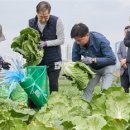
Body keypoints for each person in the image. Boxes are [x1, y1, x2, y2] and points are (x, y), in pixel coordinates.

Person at [28, 1, 64, 108]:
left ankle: (54, 107)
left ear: (49, 13)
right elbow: (28, 39)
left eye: (46, 16)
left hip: (54, 59)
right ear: (37, 13)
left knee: (53, 84)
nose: (43, 19)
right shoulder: (31, 23)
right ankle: (34, 107)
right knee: (35, 84)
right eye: (41, 16)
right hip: (38, 60)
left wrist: (46, 43)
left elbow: (61, 40)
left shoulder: (57, 21)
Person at [71, 23, 116, 101]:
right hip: (93, 69)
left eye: (79, 40)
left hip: (108, 67)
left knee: (105, 89)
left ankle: (107, 108)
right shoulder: (76, 44)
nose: (77, 43)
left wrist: (93, 60)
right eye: (76, 40)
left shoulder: (100, 40)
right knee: (87, 88)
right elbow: (75, 60)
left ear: (87, 35)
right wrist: (72, 72)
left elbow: (112, 59)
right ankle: (85, 108)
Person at [117, 25, 130, 93]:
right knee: (124, 90)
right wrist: (121, 61)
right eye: (125, 33)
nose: (126, 34)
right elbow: (118, 53)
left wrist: (126, 60)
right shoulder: (122, 43)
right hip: (123, 70)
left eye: (127, 32)